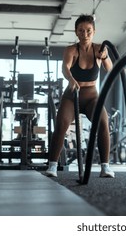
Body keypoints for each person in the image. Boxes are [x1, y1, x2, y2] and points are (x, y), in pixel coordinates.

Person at [46, 14, 115, 178]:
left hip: (92, 96)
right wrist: (70, 79)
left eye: (88, 31)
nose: (85, 34)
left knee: (103, 123)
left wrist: (105, 56)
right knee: (61, 124)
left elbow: (110, 69)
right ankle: (52, 166)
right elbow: (65, 67)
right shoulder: (71, 50)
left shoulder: (99, 49)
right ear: (76, 32)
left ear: (94, 31)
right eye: (81, 31)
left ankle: (105, 167)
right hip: (72, 95)